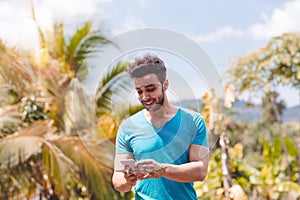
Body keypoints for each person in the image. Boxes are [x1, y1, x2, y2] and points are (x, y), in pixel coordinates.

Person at [112, 54, 209, 200]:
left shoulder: (193, 121)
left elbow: (200, 171)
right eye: (139, 91)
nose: (144, 97)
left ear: (165, 84)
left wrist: (163, 170)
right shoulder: (127, 128)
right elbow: (118, 177)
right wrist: (127, 180)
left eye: (150, 89)